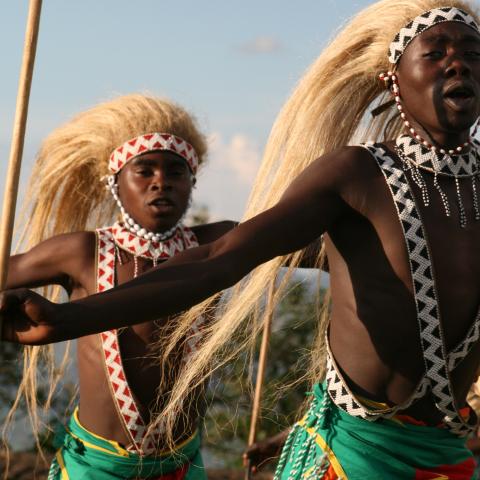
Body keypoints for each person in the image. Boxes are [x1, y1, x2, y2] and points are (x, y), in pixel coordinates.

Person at [2, 0, 480, 477]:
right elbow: (219, 260)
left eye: (471, 52)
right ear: (392, 80)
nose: (457, 62)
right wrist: (67, 319)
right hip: (354, 454)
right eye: (435, 52)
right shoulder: (356, 176)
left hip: (449, 454)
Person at [1, 94, 235, 479]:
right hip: (97, 466)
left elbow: (293, 242)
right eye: (144, 170)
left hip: (181, 463)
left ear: (192, 182)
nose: (161, 182)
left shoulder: (217, 244)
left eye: (176, 172)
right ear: (115, 184)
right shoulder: (83, 252)